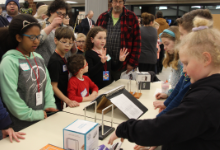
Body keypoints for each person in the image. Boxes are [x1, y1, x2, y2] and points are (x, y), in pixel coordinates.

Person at [109, 16, 220, 150]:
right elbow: (176, 128)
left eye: (186, 63)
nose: (184, 69)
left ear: (205, 59)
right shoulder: (207, 89)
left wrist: (125, 129)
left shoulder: (203, 99)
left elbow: (164, 127)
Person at [0, 14, 58, 132]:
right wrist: (34, 114)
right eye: (31, 37)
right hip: (20, 127)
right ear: (18, 38)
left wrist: (49, 104)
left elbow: (46, 84)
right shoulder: (9, 61)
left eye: (38, 36)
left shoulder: (38, 57)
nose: (36, 41)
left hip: (42, 118)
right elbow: (10, 97)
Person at [96, 0, 141, 81]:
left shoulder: (131, 17)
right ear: (111, 2)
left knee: (122, 89)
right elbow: (95, 38)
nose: (117, 4)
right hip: (105, 63)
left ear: (124, 2)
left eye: (120, 1)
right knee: (106, 87)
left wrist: (132, 63)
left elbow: (137, 42)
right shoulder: (102, 17)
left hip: (123, 65)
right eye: (115, 1)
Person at [47, 27, 79, 111]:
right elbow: (53, 86)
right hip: (56, 100)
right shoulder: (55, 60)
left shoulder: (63, 57)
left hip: (63, 98)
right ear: (55, 40)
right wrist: (68, 101)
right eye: (64, 42)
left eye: (70, 43)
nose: (67, 45)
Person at [35, 0, 69, 66]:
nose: (61, 16)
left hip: (62, 67)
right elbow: (37, 41)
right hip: (45, 65)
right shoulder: (40, 25)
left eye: (64, 14)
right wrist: (52, 25)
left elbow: (72, 51)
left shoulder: (66, 28)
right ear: (51, 12)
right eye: (59, 13)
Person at [158, 26, 182, 96]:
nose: (164, 48)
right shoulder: (176, 59)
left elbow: (181, 89)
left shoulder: (182, 61)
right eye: (164, 45)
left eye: (167, 44)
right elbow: (176, 88)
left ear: (177, 41)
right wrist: (167, 94)